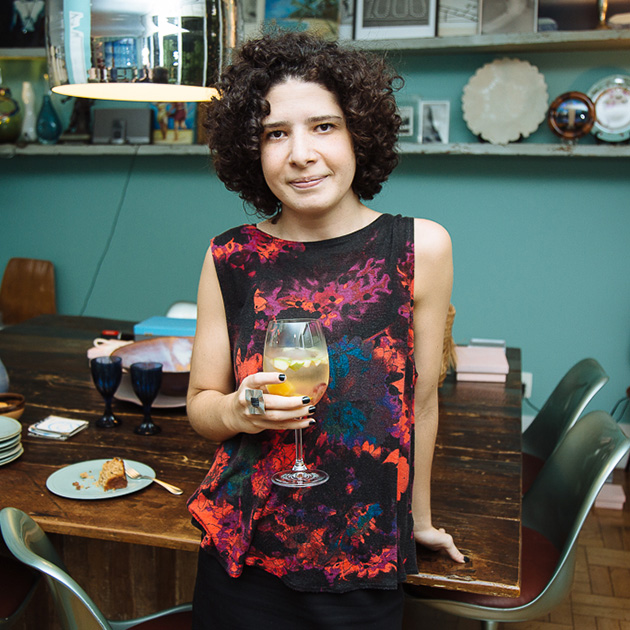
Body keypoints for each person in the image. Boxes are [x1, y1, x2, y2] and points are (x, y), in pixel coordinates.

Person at [186, 30, 465, 630]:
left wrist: (416, 521)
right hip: (244, 556)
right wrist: (238, 410)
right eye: (275, 134)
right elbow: (202, 406)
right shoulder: (229, 257)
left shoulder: (420, 247)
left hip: (364, 556)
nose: (300, 154)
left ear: (358, 133)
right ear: (251, 150)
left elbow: (420, 403)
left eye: (323, 126)